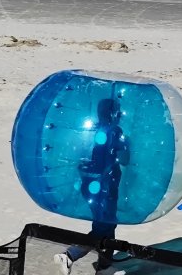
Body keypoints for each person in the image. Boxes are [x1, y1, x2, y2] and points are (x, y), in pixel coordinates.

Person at [55, 98, 129, 275]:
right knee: (103, 227)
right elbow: (125, 159)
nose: (120, 114)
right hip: (105, 186)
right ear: (113, 113)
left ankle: (105, 266)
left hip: (90, 184)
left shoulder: (93, 130)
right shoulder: (115, 132)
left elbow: (87, 157)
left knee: (107, 224)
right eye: (118, 111)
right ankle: (70, 255)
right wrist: (126, 144)